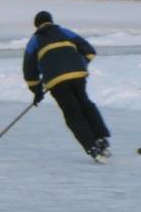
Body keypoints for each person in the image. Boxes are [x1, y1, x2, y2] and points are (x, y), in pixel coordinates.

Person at [24, 11, 111, 163]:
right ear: (51, 21)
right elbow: (89, 51)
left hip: (56, 81)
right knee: (85, 105)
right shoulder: (65, 32)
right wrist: (79, 64)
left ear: (36, 25)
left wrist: (37, 91)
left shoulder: (34, 40)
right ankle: (100, 139)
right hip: (78, 75)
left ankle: (91, 146)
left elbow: (29, 70)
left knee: (72, 112)